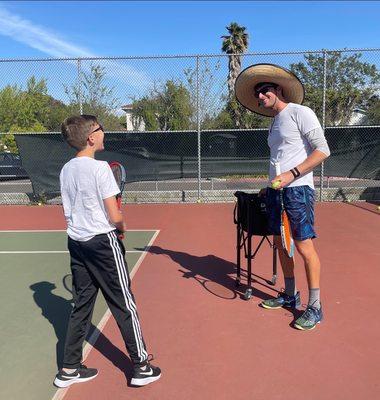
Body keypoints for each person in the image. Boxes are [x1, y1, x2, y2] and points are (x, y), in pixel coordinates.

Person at [54, 115, 161, 387]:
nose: (104, 132)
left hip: (76, 243)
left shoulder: (66, 169)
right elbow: (114, 215)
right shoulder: (100, 169)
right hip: (102, 243)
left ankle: (68, 368)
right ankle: (141, 366)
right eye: (101, 129)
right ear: (91, 137)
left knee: (82, 304)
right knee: (123, 302)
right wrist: (122, 226)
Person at [235, 64, 330, 331]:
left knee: (303, 247)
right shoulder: (275, 123)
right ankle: (290, 295)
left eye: (265, 91)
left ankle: (315, 306)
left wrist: (292, 174)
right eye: (258, 95)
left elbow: (323, 150)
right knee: (281, 244)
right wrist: (270, 185)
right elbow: (278, 159)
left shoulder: (301, 113)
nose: (262, 97)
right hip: (277, 192)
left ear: (278, 89)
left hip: (298, 190)